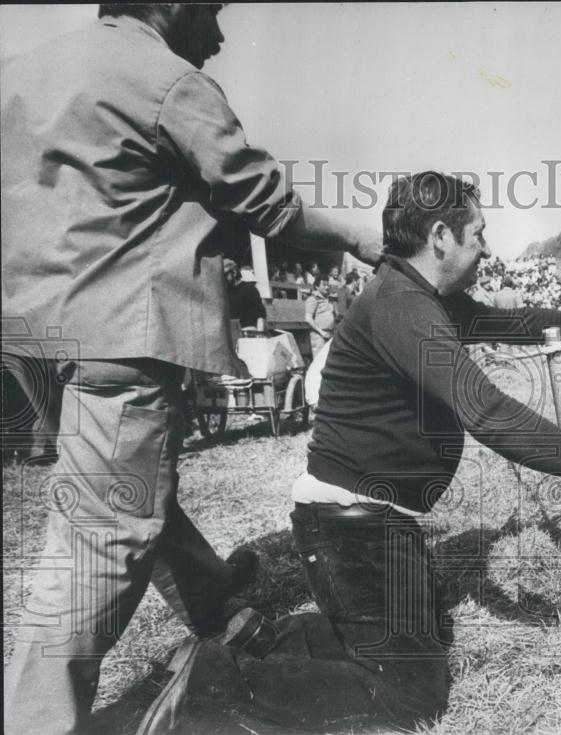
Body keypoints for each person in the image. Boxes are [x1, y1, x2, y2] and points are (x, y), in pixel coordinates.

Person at [0, 5, 381, 734]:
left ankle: (212, 601)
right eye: (210, 11)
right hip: (119, 335)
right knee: (102, 540)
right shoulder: (167, 80)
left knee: (119, 489)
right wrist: (364, 238)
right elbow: (269, 204)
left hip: (31, 337)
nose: (219, 36)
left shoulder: (21, 73)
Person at [289, 172, 561, 727]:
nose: (487, 249)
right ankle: (215, 677)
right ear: (441, 235)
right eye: (479, 234)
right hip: (350, 527)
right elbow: (487, 412)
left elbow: (503, 321)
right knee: (411, 701)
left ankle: (267, 637)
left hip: (374, 522)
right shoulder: (402, 303)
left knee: (425, 639)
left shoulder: (418, 293)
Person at [224, 259, 267, 332]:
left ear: (234, 273)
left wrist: (259, 334)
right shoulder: (224, 293)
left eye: (224, 275)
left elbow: (260, 316)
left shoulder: (250, 290)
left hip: (249, 334)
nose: (222, 279)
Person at [304, 276, 337, 356]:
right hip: (319, 335)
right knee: (318, 362)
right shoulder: (313, 299)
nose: (327, 287)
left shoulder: (329, 300)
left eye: (327, 285)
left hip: (330, 334)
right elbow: (308, 318)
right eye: (324, 285)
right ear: (317, 286)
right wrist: (321, 332)